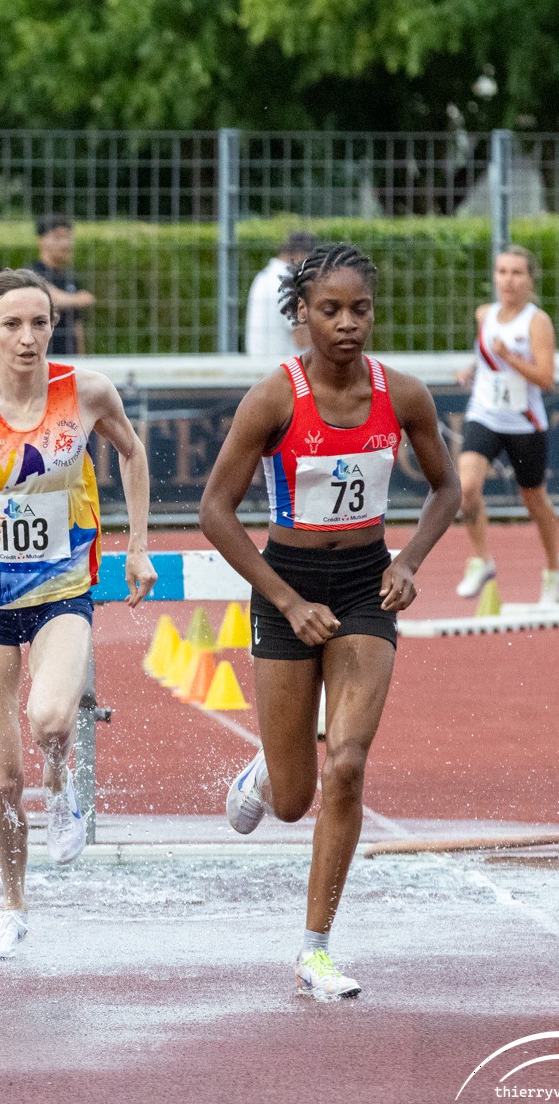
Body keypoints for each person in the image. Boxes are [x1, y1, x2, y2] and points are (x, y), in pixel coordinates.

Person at [198, 243, 458, 1000]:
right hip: (290, 586)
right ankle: (266, 770)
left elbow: (446, 490)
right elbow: (215, 511)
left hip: (365, 587)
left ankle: (315, 948)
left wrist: (408, 561)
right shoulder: (273, 400)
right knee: (292, 800)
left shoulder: (403, 395)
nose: (347, 323)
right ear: (302, 315)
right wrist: (286, 600)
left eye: (360, 309)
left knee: (347, 763)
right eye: (330, 310)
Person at [0, 269, 156, 959]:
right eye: (12, 324)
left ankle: (62, 776)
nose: (27, 337)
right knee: (0, 780)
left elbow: (133, 454)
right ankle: (12, 906)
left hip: (62, 589)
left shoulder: (86, 392)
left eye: (40, 323)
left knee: (50, 717)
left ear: (53, 326)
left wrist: (137, 546)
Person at [452, 245, 559, 604]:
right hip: (485, 414)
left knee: (534, 500)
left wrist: (510, 357)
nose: (508, 280)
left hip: (523, 422)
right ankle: (482, 560)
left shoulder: (537, 322)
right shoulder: (485, 315)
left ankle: (554, 568)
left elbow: (546, 378)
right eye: (502, 272)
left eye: (517, 273)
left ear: (530, 279)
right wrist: (471, 370)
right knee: (466, 488)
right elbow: (486, 357)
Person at [28, 215, 96, 355]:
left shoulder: (70, 277)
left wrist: (81, 358)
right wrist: (77, 299)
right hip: (41, 356)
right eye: (58, 237)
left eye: (68, 237)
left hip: (69, 356)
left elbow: (77, 323)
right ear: (41, 240)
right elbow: (47, 298)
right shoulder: (31, 273)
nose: (65, 243)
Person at [244, 231, 315, 358]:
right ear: (300, 255)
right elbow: (302, 340)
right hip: (283, 364)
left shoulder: (264, 276)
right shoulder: (288, 282)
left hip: (258, 363)